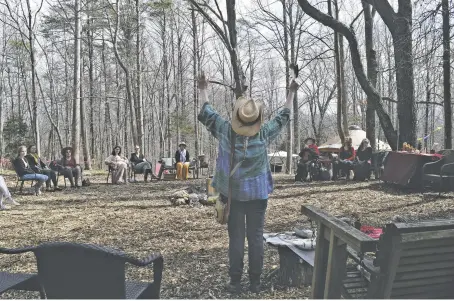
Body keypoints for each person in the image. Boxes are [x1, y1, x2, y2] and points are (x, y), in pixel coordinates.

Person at [197, 69, 298, 294]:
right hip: (258, 195)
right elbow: (284, 117)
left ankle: (234, 282)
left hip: (232, 195)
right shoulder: (263, 134)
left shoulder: (225, 130)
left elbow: (207, 112)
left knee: (236, 239)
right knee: (255, 238)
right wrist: (291, 93)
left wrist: (203, 88)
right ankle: (255, 282)